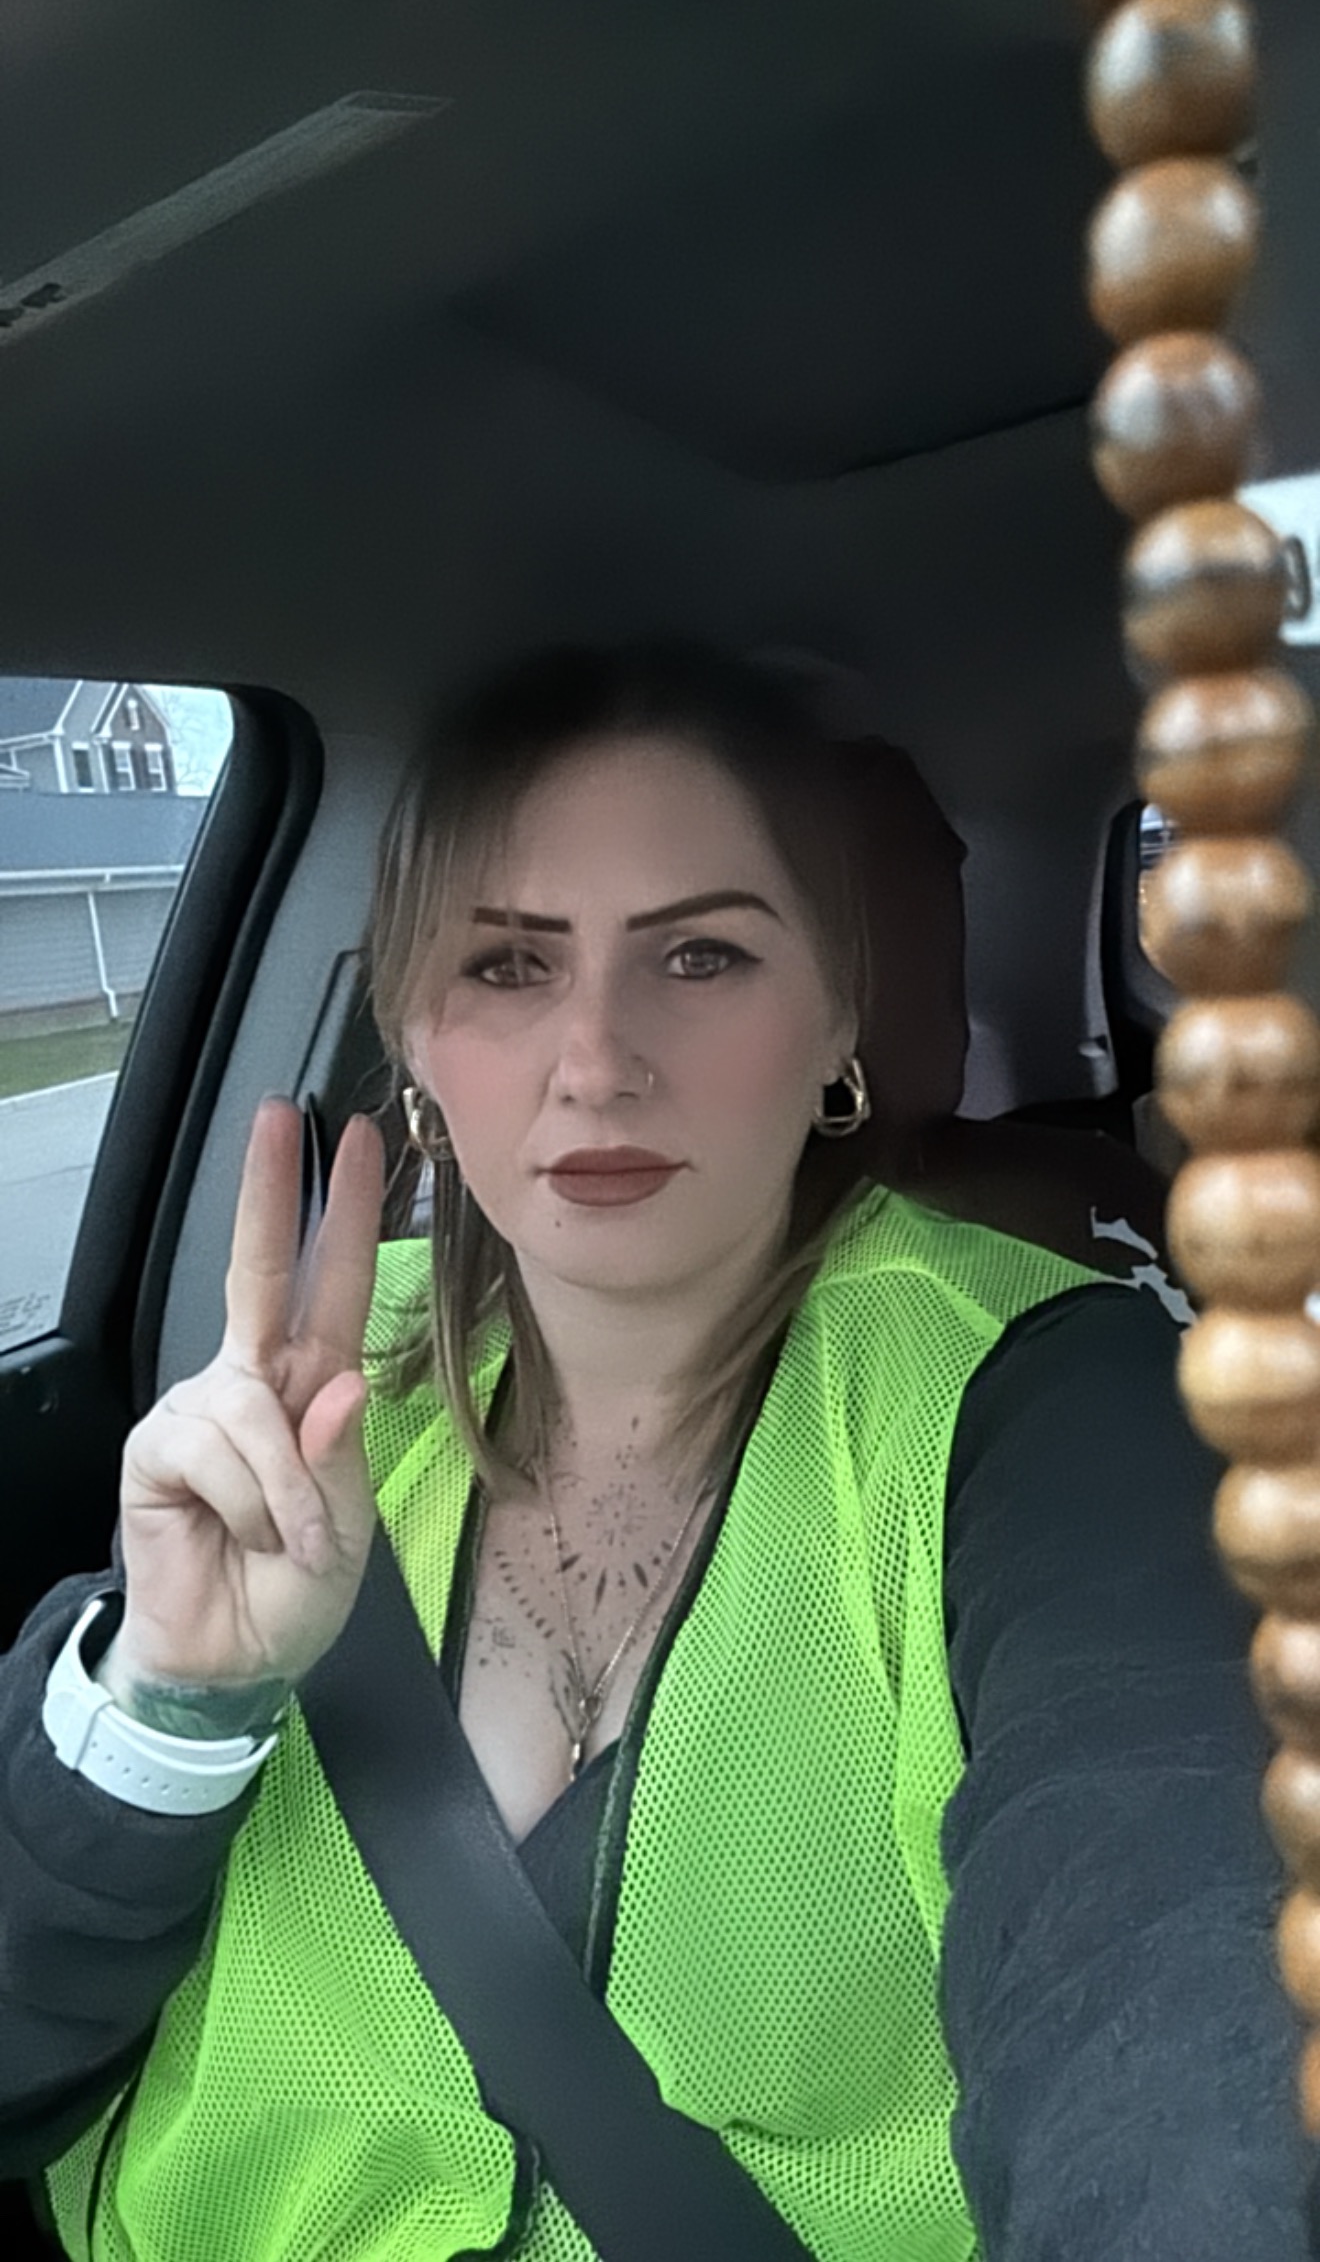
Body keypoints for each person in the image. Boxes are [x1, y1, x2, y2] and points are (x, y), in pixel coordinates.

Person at [0, 642, 1313, 2261]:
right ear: (411, 1029)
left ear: (838, 1011)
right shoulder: (293, 1402)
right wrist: (168, 1710)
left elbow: (1170, 1945)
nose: (598, 1061)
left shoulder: (1046, 1408)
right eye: (509, 964)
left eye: (700, 955)